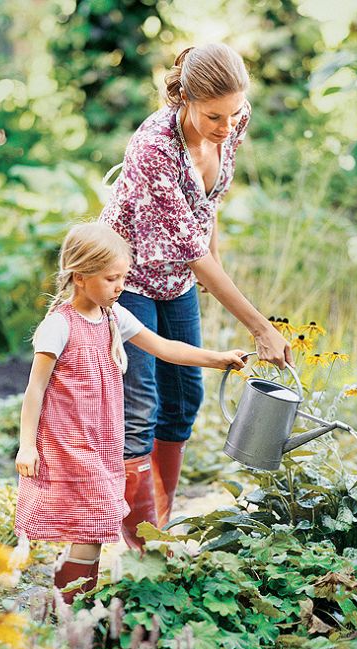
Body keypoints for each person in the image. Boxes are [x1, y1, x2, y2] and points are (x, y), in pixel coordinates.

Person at [101, 43, 293, 545]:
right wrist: (260, 326)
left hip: (178, 279)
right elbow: (190, 250)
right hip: (129, 279)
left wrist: (217, 268)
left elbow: (208, 211)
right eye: (214, 115)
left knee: (185, 398)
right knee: (139, 405)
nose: (227, 127)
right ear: (184, 98)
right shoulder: (153, 149)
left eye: (234, 113)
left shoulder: (232, 120)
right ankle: (138, 541)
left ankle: (157, 522)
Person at [14, 222, 246, 603]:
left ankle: (69, 602)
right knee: (93, 524)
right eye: (111, 278)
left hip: (102, 440)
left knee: (90, 526)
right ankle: (72, 609)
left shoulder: (113, 317)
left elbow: (164, 347)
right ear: (80, 277)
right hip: (69, 442)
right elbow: (34, 389)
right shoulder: (58, 326)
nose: (120, 286)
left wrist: (217, 359)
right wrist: (27, 447)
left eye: (124, 277)